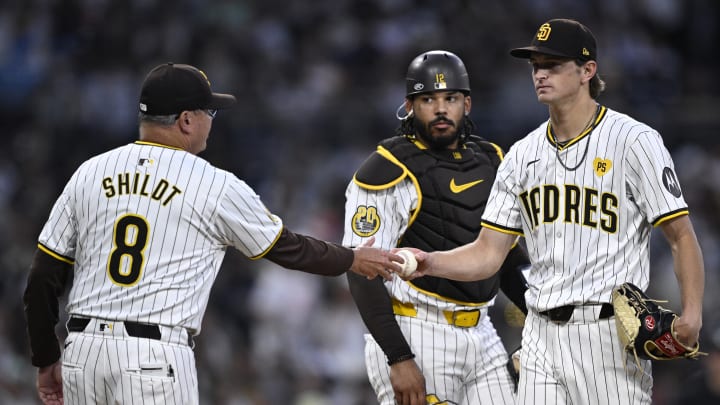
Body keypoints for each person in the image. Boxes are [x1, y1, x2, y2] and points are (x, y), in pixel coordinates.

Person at [22, 62, 402, 405]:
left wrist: (45, 358)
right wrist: (352, 258)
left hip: (81, 353)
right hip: (154, 359)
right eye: (210, 111)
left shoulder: (89, 172)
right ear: (187, 119)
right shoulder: (212, 184)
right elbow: (287, 248)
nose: (212, 120)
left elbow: (41, 277)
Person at [405, 19, 705, 405]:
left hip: (607, 336)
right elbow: (487, 253)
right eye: (536, 65)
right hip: (539, 334)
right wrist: (430, 262)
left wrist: (692, 313)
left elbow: (681, 235)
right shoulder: (522, 155)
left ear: (587, 71)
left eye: (554, 64)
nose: (541, 73)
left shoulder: (634, 140)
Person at [343, 50, 530, 405]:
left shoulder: (492, 160)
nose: (441, 109)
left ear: (467, 103)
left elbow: (505, 256)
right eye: (428, 98)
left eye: (451, 98)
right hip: (417, 328)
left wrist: (544, 317)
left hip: (483, 331)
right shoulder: (386, 169)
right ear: (410, 105)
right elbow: (361, 270)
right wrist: (398, 357)